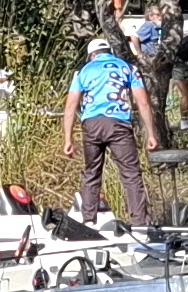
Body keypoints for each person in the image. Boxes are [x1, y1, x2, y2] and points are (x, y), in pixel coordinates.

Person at [66, 32, 154, 223]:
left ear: (92, 55)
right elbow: (143, 102)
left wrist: (68, 139)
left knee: (92, 173)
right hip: (118, 123)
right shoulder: (128, 68)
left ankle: (88, 221)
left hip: (92, 124)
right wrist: (151, 134)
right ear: (109, 52)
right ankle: (139, 222)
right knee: (131, 174)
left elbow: (71, 105)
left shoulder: (83, 71)